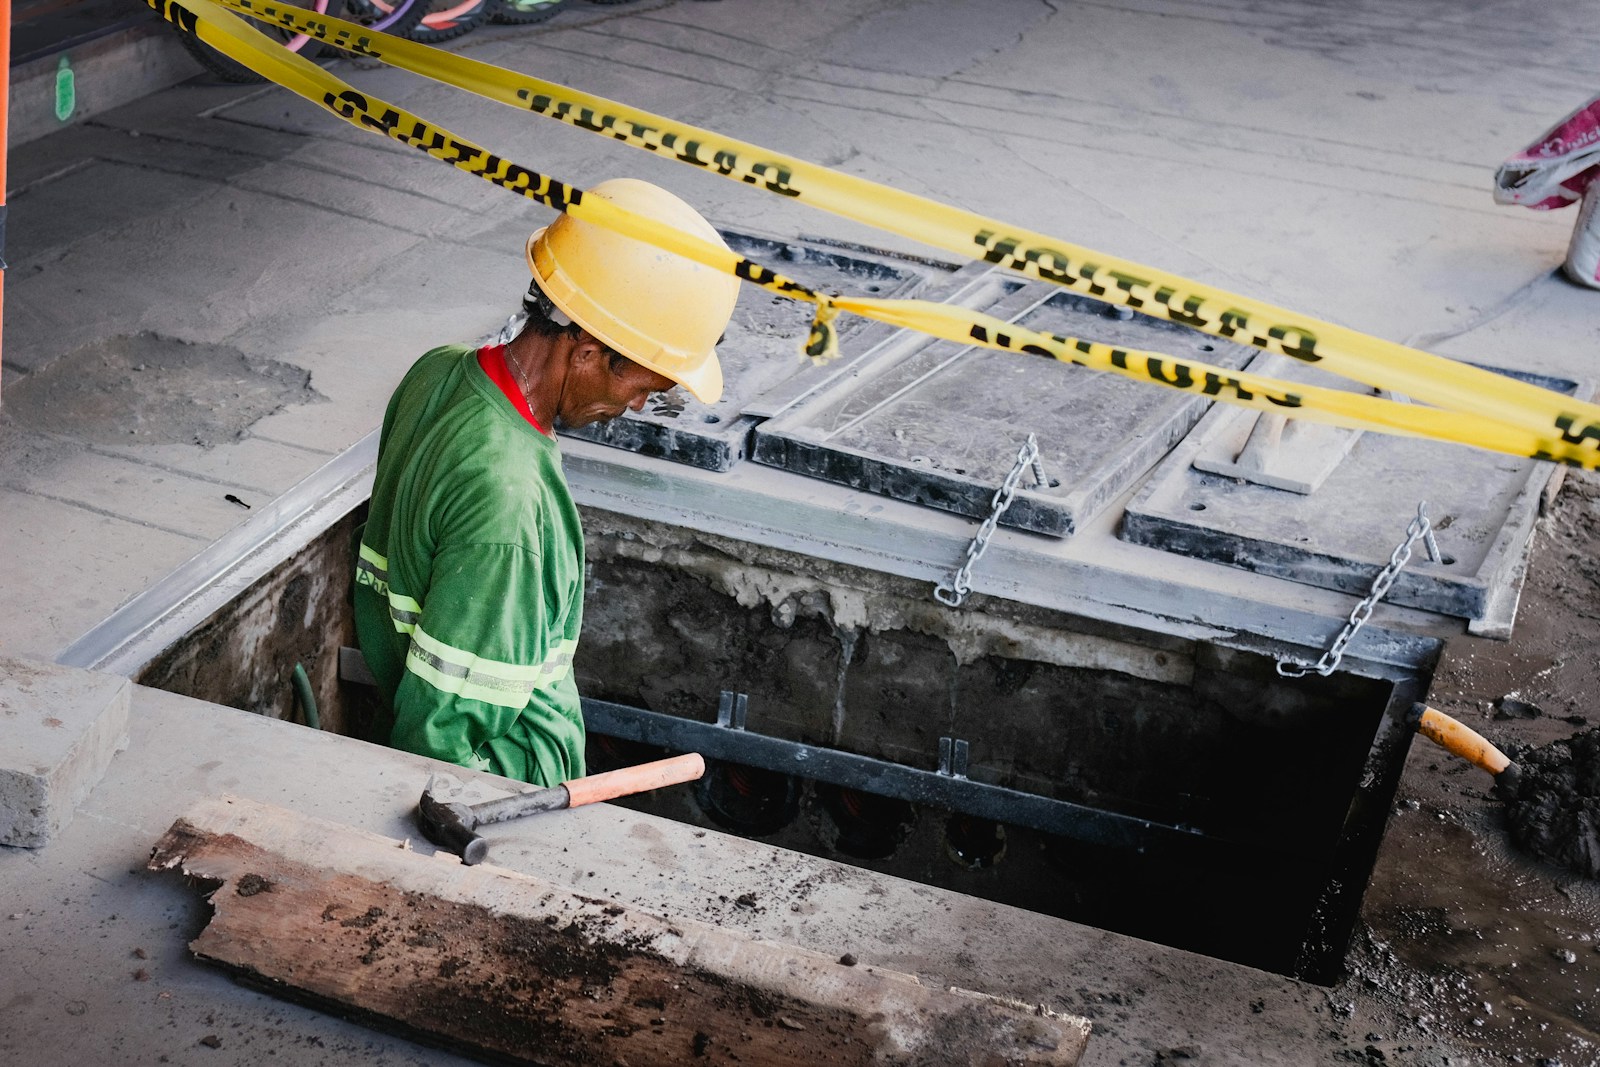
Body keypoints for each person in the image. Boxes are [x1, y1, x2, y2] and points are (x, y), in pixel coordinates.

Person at [353, 178, 740, 786]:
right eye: (642, 386)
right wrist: (465, 810)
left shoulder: (437, 371)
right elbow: (442, 732)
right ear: (586, 349)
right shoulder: (507, 500)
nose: (637, 407)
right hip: (502, 779)